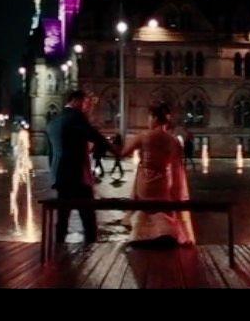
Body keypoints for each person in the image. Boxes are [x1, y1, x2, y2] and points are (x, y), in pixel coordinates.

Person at [46, 90, 122, 244]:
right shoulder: (76, 116)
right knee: (88, 217)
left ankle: (58, 250)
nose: (85, 107)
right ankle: (90, 250)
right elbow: (93, 134)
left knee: (63, 217)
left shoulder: (53, 122)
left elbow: (50, 153)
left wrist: (55, 174)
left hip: (61, 176)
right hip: (77, 175)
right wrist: (113, 149)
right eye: (84, 102)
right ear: (75, 100)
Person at [120, 103, 195, 246]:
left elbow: (122, 153)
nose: (148, 121)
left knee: (144, 209)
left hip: (144, 184)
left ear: (154, 117)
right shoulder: (172, 140)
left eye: (149, 117)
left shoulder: (143, 136)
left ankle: (141, 236)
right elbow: (176, 168)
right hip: (162, 184)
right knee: (162, 210)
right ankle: (164, 234)